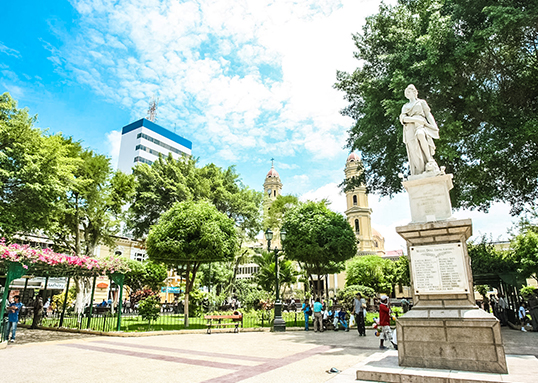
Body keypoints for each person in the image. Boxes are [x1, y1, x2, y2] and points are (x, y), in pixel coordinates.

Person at [399, 84, 440, 176]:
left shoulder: (421, 102)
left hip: (421, 125)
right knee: (413, 149)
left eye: (408, 91)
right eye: (406, 92)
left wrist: (433, 125)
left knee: (420, 134)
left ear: (414, 92)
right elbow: (403, 119)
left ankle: (429, 159)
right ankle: (420, 169)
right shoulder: (405, 106)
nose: (407, 94)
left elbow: (428, 114)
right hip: (410, 127)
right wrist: (415, 119)